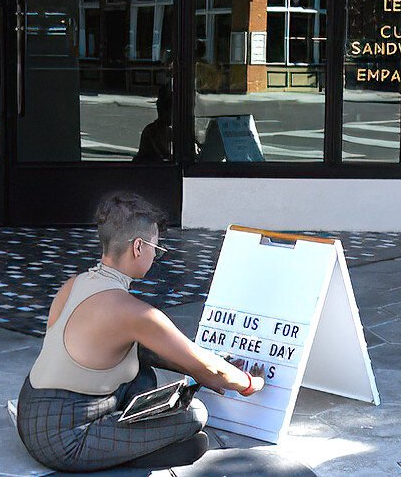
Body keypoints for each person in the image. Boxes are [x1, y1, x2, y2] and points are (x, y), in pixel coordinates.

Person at [16, 192, 265, 471]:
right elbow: (212, 368)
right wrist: (248, 384)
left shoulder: (74, 284)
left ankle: (125, 444)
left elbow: (153, 353)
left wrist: (196, 371)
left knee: (141, 372)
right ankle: (122, 453)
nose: (155, 256)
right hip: (64, 440)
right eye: (155, 249)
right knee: (194, 414)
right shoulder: (134, 313)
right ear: (138, 247)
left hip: (30, 411)